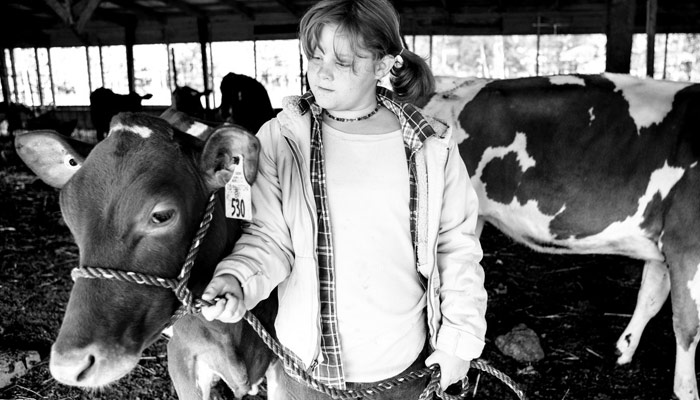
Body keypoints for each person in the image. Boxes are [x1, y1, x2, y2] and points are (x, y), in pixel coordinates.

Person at [201, 0, 487, 398]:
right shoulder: (281, 138)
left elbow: (455, 246)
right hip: (304, 371)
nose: (321, 71)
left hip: (402, 368)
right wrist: (237, 279)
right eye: (314, 56)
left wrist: (458, 342)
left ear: (383, 66)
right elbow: (269, 238)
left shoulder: (429, 146)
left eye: (343, 61)